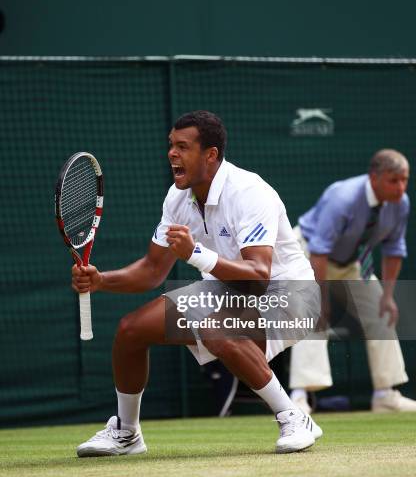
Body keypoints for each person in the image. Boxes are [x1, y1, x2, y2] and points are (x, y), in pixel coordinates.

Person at [72, 110, 322, 456]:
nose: (172, 154)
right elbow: (151, 270)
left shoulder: (249, 193)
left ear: (211, 155)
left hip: (290, 296)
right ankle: (127, 433)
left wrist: (197, 254)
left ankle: (293, 416)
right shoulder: (176, 199)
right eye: (171, 146)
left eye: (182, 147)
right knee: (131, 330)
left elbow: (259, 276)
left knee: (218, 329)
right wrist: (101, 280)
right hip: (226, 292)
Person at [289, 149, 416, 414]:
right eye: (394, 180)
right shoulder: (342, 197)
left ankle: (385, 395)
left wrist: (388, 296)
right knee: (311, 314)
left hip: (350, 262)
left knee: (382, 314)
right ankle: (300, 397)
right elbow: (319, 252)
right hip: (307, 253)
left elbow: (394, 250)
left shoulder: (401, 203)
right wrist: (321, 300)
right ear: (374, 178)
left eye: (405, 180)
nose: (401, 187)